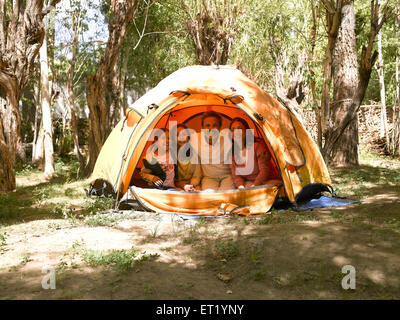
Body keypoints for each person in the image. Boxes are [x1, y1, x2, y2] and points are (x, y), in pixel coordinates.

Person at [229, 117, 277, 188]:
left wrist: (254, 186)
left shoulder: (257, 147)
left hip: (267, 182)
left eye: (240, 129)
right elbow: (236, 176)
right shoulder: (232, 153)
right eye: (233, 130)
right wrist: (240, 187)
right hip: (250, 184)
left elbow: (264, 171)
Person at [196, 111, 234, 191]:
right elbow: (179, 141)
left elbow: (244, 139)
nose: (211, 129)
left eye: (215, 125)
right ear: (202, 128)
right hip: (209, 177)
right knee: (209, 197)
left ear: (220, 127)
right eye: (207, 125)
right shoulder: (196, 138)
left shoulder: (228, 138)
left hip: (227, 176)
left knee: (226, 196)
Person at [172, 124, 202, 192]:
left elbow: (197, 176)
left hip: (193, 185)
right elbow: (171, 178)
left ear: (188, 138)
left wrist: (191, 186)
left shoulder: (194, 153)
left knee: (196, 194)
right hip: (177, 186)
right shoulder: (170, 155)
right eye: (177, 135)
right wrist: (183, 186)